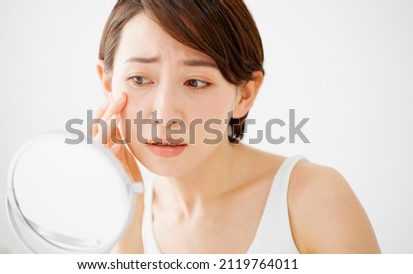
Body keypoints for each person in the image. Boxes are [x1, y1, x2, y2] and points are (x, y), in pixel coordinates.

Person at [91, 0, 380, 254]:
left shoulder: (313, 198)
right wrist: (128, 235)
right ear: (107, 83)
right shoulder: (112, 217)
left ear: (244, 94)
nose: (165, 115)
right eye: (140, 79)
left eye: (196, 82)